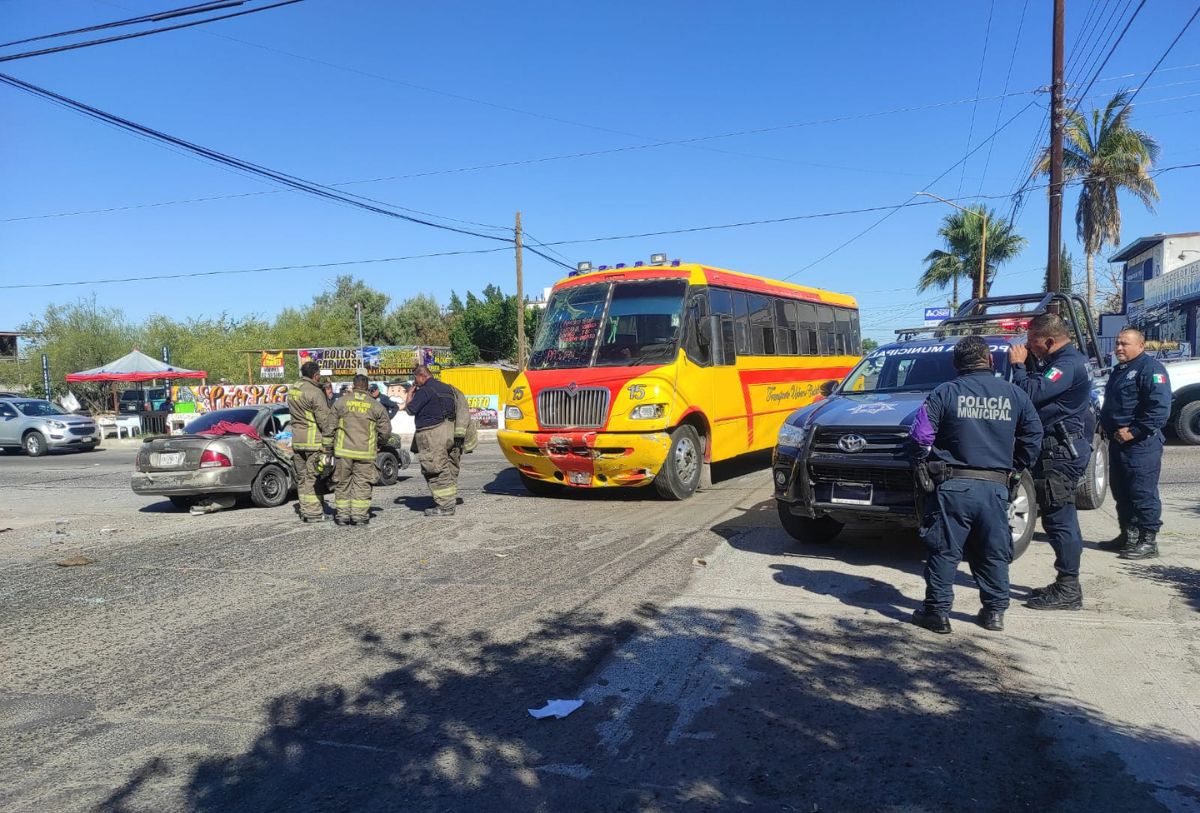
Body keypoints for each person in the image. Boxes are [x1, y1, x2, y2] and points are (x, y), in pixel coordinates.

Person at [909, 336, 1043, 634]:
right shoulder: (1014, 394)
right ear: (991, 361)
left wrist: (920, 462)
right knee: (993, 550)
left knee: (944, 550)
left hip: (952, 487)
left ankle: (937, 614)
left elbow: (920, 436)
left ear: (957, 365)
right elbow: (1034, 436)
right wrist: (1016, 468)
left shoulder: (945, 392)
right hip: (995, 487)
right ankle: (995, 612)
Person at [1009, 313, 1093, 611]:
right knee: (1061, 517)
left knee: (1060, 520)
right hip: (1058, 447)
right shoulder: (1064, 361)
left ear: (1049, 340)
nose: (1029, 348)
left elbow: (1030, 393)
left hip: (1059, 451)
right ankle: (1066, 582)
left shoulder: (1066, 365)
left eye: (1032, 342)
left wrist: (1018, 366)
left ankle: (1069, 588)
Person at [1098, 328, 1172, 559]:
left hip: (1141, 445)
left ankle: (1148, 541)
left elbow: (1160, 409)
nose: (1119, 347)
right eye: (1118, 343)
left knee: (1142, 493)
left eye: (1125, 344)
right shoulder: (1121, 370)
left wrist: (1134, 431)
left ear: (1141, 346)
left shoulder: (1151, 369)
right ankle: (1128, 536)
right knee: (1122, 491)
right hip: (1118, 443)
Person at [330, 374, 391, 527]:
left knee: (342, 483)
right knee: (362, 484)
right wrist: (380, 443)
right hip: (365, 452)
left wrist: (328, 448)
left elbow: (329, 426)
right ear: (367, 386)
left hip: (343, 452)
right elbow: (386, 430)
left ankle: (343, 516)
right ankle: (359, 516)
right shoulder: (375, 405)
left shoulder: (341, 402)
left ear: (353, 385)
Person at [405, 364, 464, 517]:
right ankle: (448, 501)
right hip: (449, 431)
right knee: (447, 467)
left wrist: (410, 392)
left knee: (435, 468)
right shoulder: (447, 389)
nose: (415, 382)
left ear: (421, 376)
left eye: (415, 379)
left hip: (432, 434)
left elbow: (410, 409)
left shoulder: (425, 391)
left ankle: (445, 507)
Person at [288, 361, 337, 523]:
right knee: (312, 478)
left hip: (297, 441)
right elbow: (324, 421)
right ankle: (314, 513)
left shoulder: (293, 389)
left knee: (302, 478)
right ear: (315, 375)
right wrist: (330, 442)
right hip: (313, 442)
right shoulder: (315, 392)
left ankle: (306, 510)